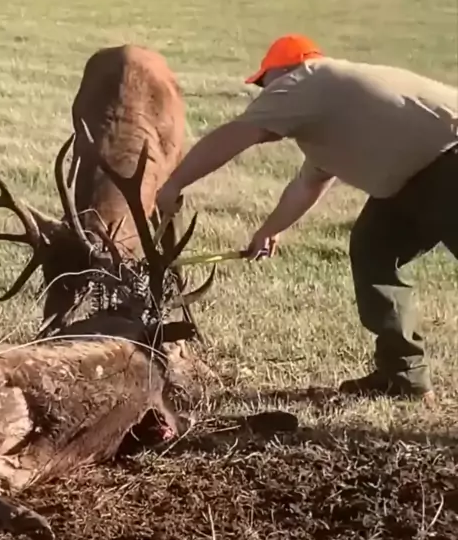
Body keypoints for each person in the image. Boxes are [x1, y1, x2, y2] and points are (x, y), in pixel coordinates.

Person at [157, 34, 458, 401]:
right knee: (374, 249)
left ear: (285, 70)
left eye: (265, 84)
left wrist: (174, 184)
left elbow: (236, 134)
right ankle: (403, 375)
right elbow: (307, 185)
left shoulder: (307, 80)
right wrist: (269, 231)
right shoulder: (329, 112)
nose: (265, 95)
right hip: (417, 177)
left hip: (449, 162)